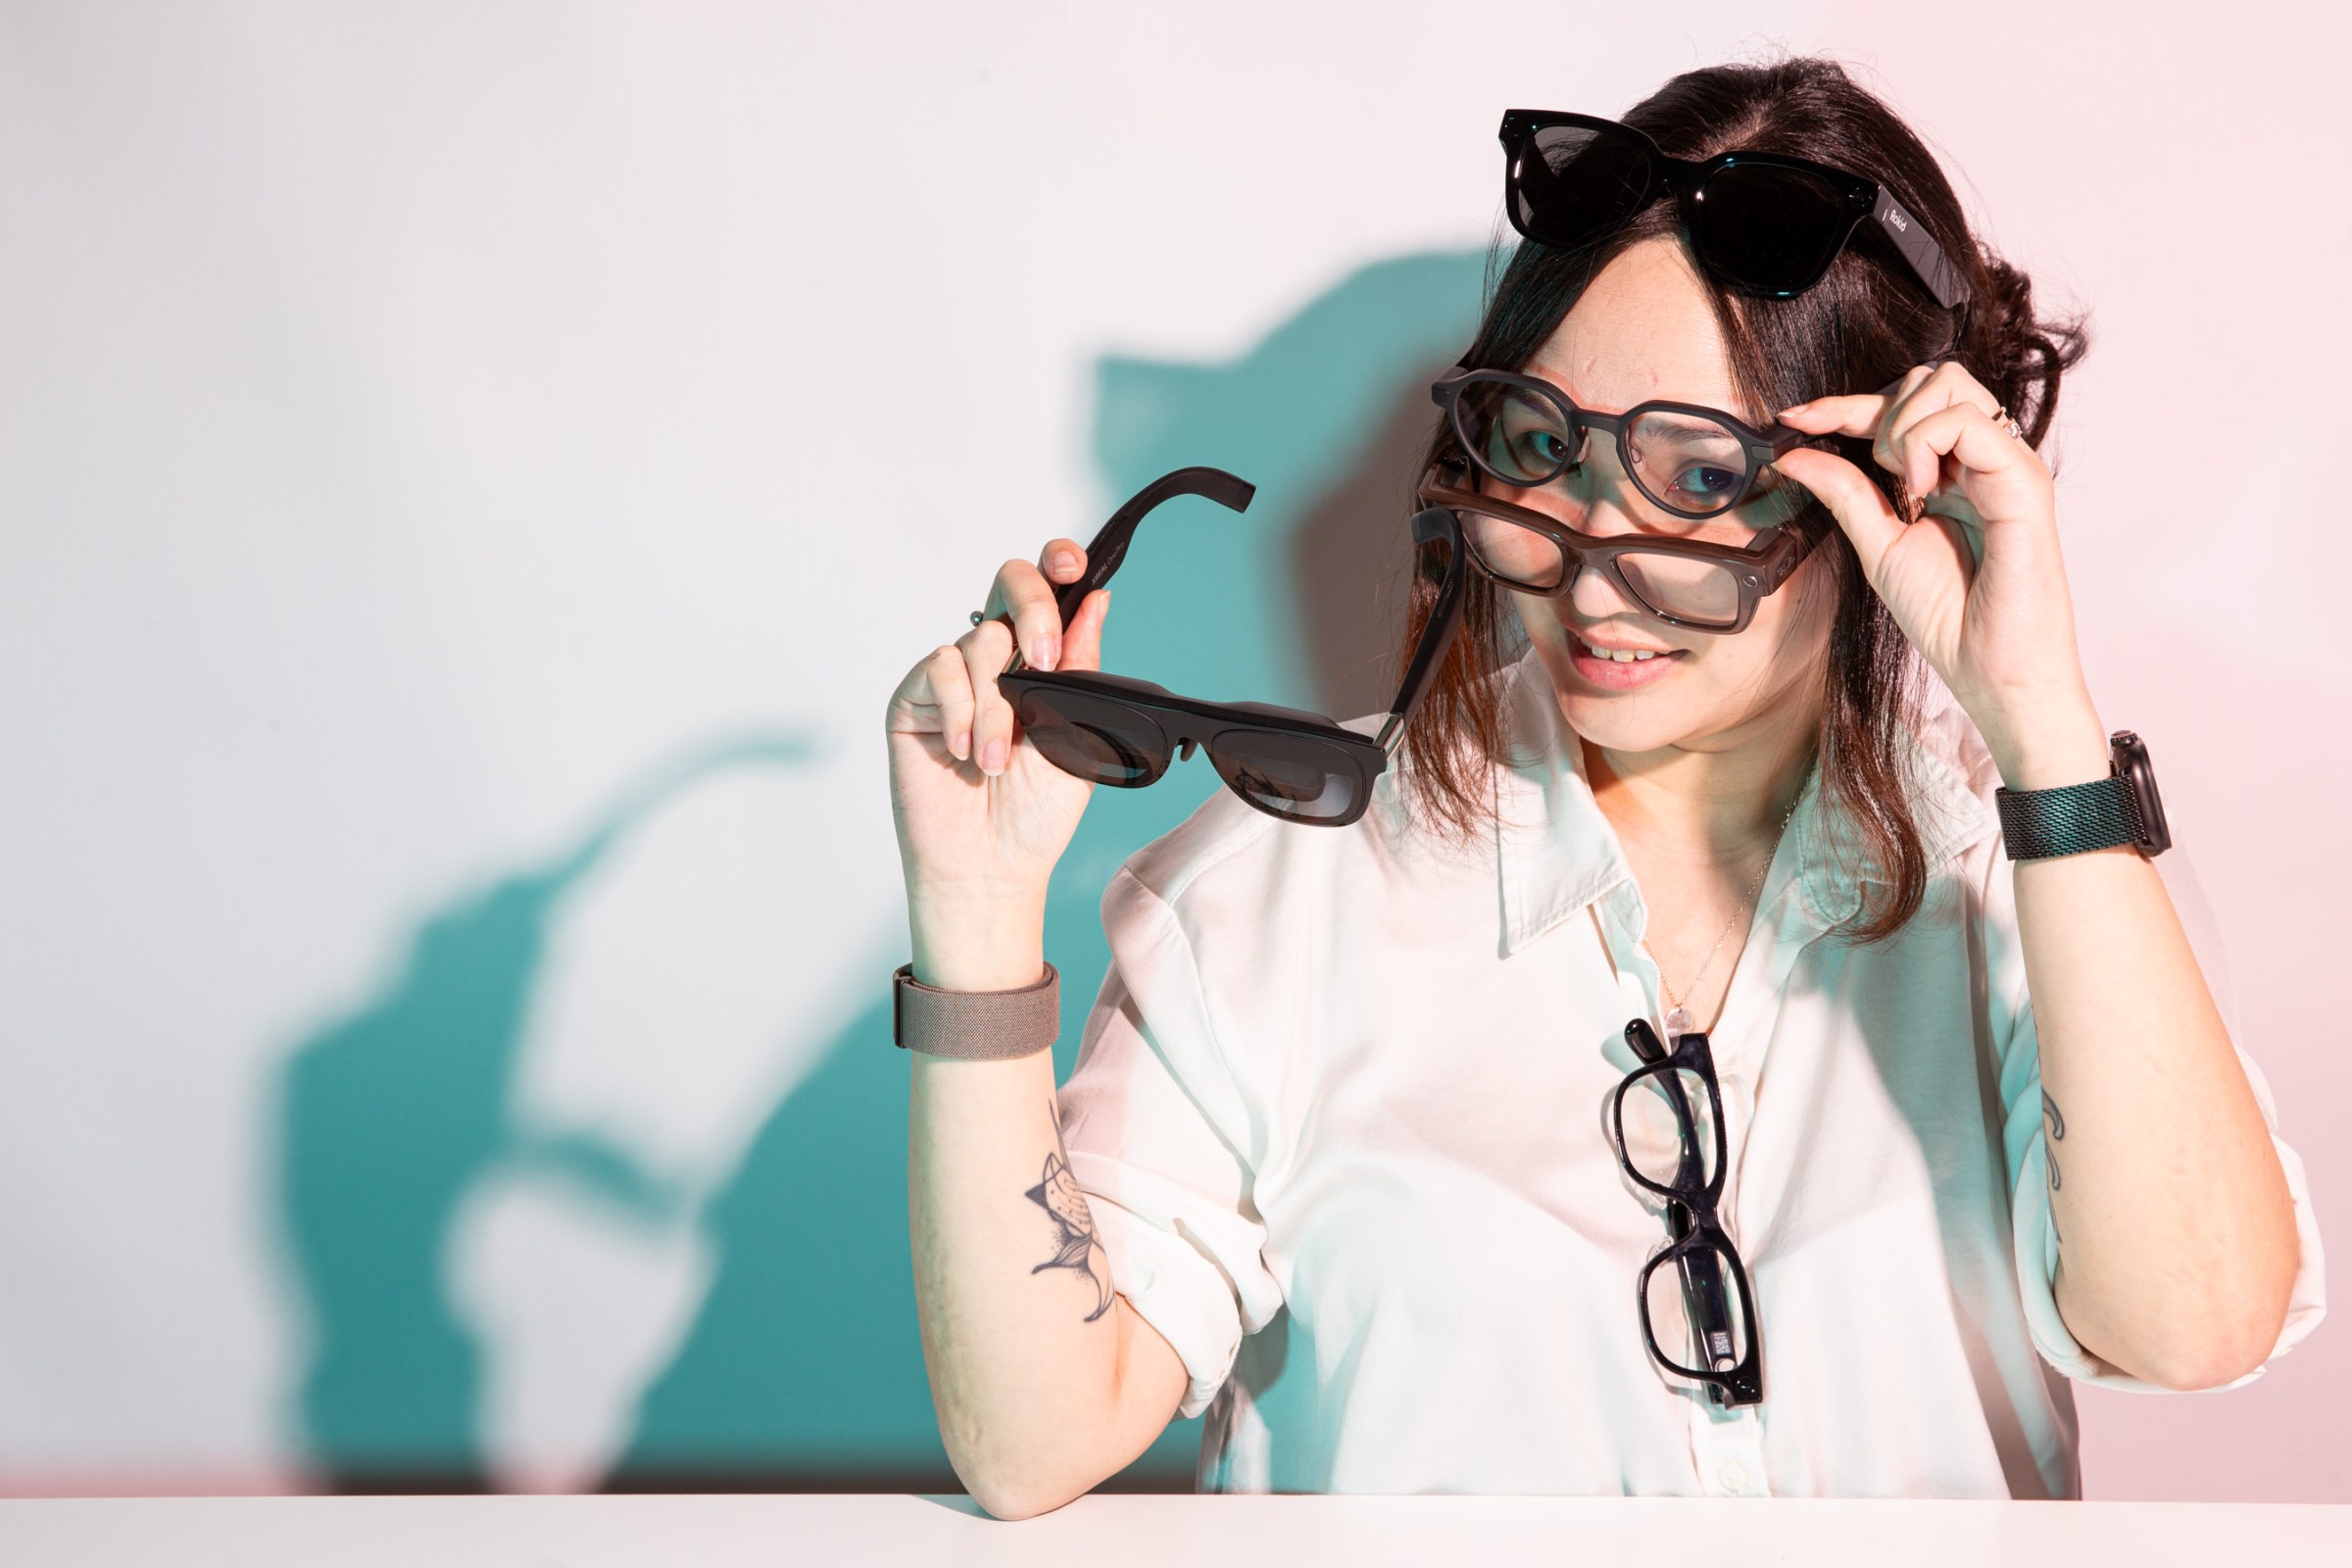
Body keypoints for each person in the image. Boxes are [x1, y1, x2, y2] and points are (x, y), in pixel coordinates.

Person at [882, 57, 2323, 1517]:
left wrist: (2042, 728)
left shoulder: (2033, 877)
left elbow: (2194, 1328)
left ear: (1891, 486)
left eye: (1700, 480)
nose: (1586, 570)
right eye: (1540, 448)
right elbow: (1035, 1439)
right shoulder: (1283, 888)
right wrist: (976, 912)